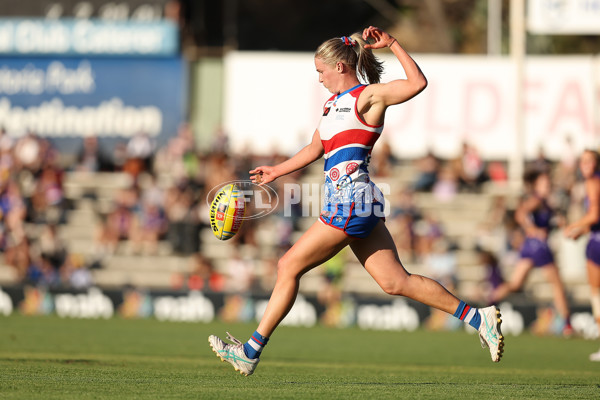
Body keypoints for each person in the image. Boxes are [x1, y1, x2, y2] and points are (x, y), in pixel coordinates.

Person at [208, 26, 504, 376]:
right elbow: (315, 148)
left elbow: (417, 84)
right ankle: (478, 317)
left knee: (288, 266)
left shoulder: (367, 97)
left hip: (351, 202)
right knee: (396, 282)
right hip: (359, 204)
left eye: (321, 71)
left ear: (340, 67)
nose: (318, 78)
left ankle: (250, 351)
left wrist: (392, 44)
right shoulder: (332, 105)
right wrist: (276, 170)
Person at [490, 170, 572, 334]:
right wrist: (533, 229)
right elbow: (521, 214)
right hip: (538, 246)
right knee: (557, 286)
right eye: (544, 183)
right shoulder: (537, 199)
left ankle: (486, 306)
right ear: (536, 185)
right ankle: (567, 324)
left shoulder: (546, 202)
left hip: (529, 246)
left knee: (515, 284)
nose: (547, 186)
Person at [564, 149, 600, 361]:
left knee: (596, 294)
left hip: (597, 243)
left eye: (590, 160)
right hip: (594, 235)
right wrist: (582, 231)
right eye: (583, 160)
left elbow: (594, 214)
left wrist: (574, 224)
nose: (585, 164)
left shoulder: (591, 183)